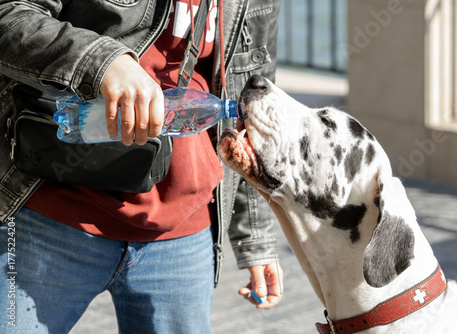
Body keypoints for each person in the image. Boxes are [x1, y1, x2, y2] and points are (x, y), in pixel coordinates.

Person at [0, 0, 283, 333]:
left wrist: (256, 236)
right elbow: (10, 13)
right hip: (51, 213)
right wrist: (103, 61)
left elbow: (249, 96)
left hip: (183, 234)